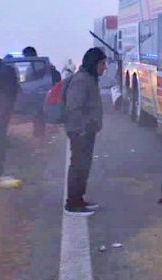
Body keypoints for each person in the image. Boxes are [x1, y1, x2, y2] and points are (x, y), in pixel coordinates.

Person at [63, 47, 107, 216]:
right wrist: (84, 127)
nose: (104, 68)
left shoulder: (89, 79)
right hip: (79, 131)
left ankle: (79, 199)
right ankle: (72, 204)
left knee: (84, 166)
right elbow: (74, 107)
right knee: (78, 166)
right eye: (102, 64)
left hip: (86, 131)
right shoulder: (82, 80)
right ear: (94, 63)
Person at [0, 45, 21, 188]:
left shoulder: (3, 71)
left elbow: (10, 91)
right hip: (2, 111)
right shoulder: (7, 69)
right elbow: (15, 90)